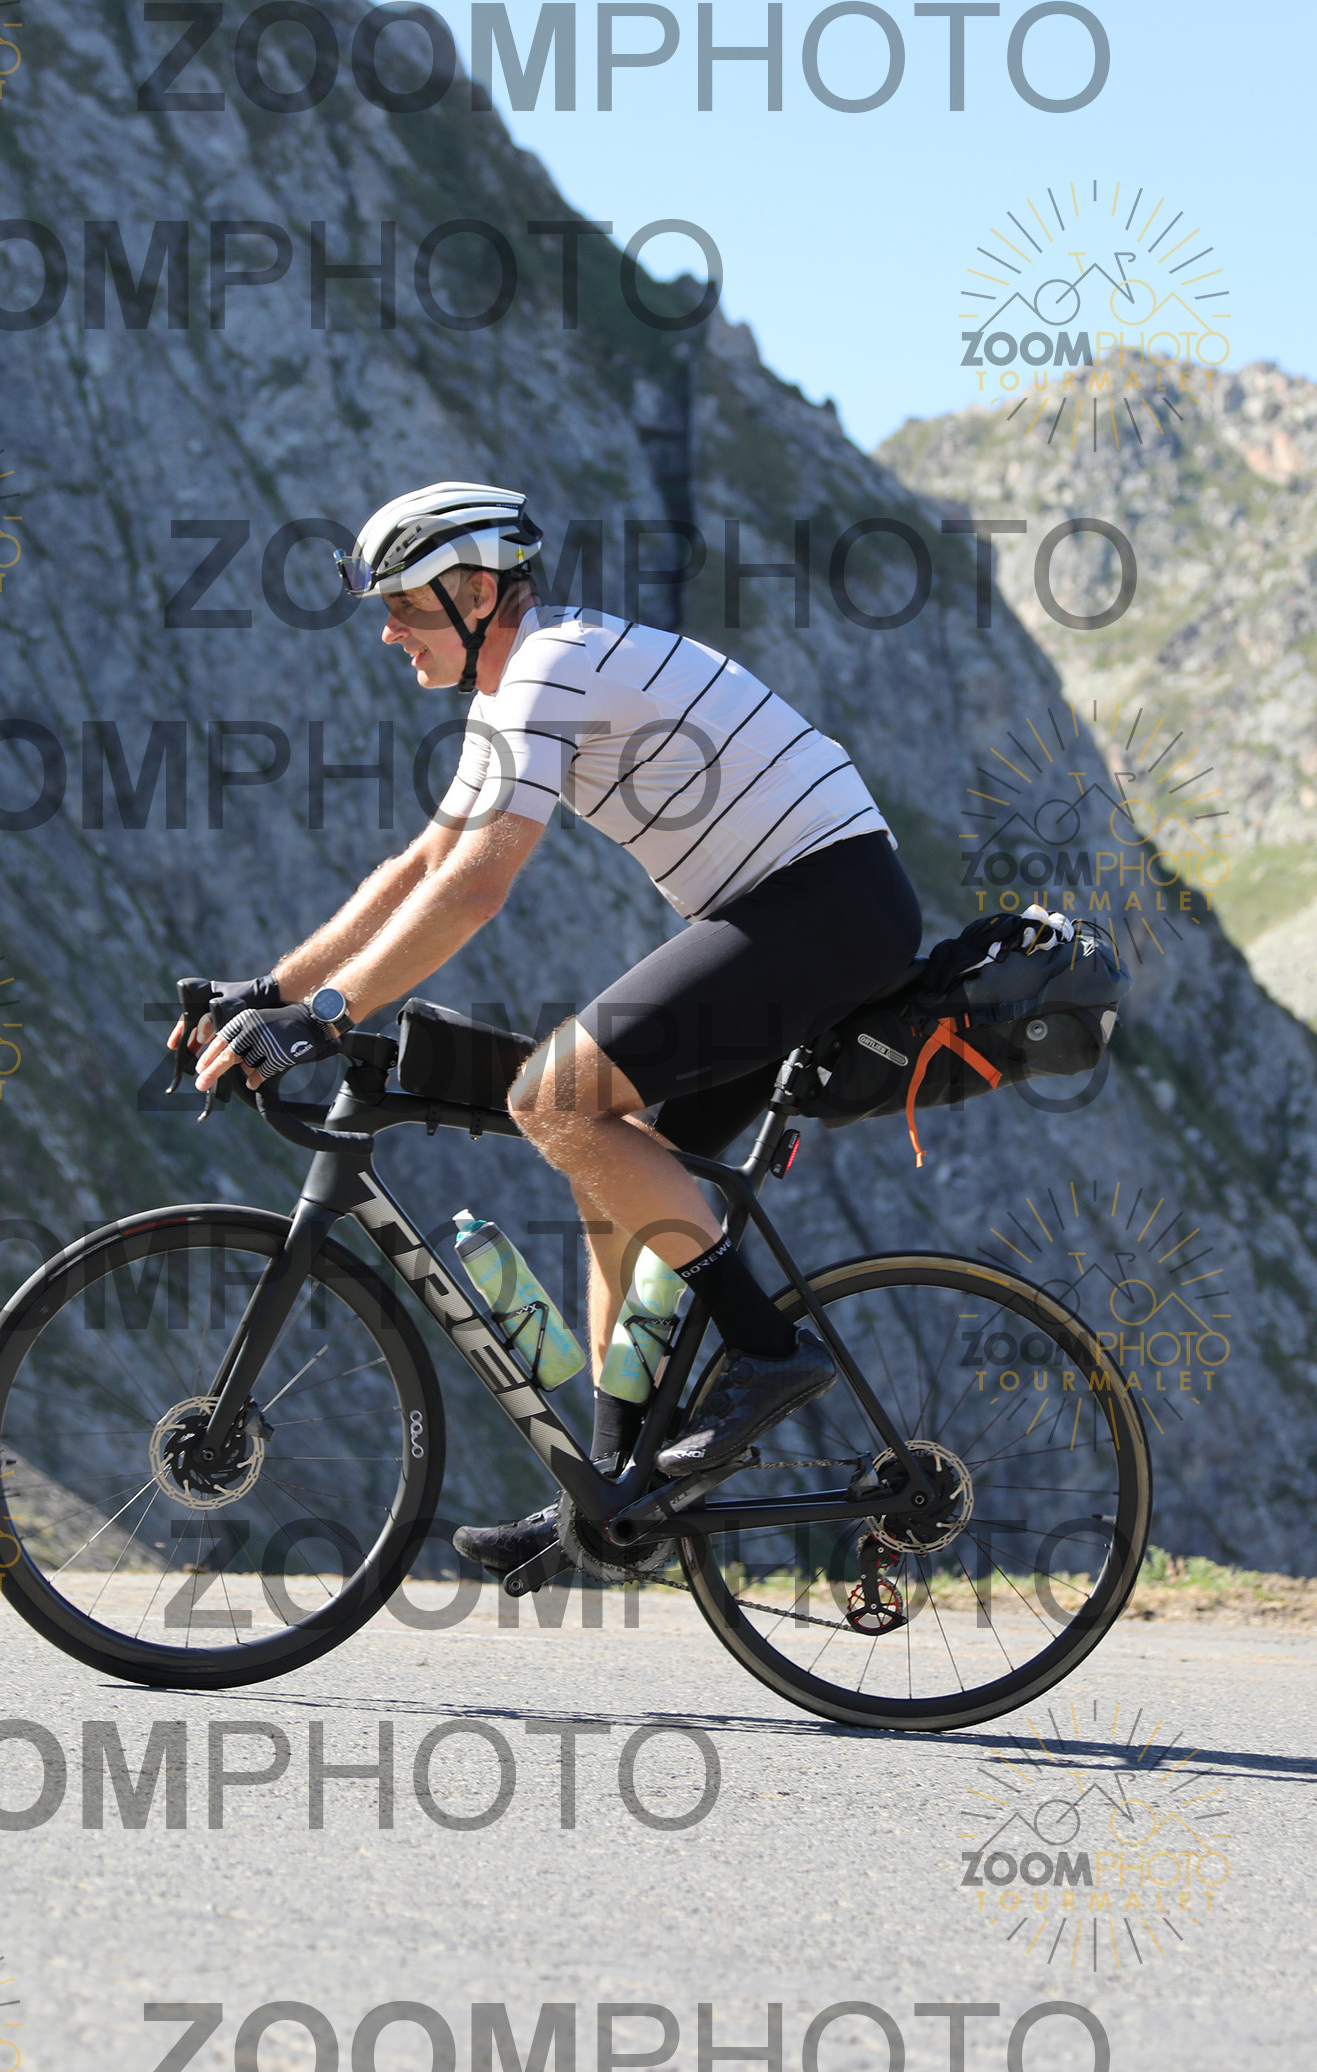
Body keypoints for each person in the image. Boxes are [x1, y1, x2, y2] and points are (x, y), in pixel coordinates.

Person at [175, 482, 923, 1578]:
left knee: (552, 1098)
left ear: (478, 593)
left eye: (406, 606)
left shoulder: (549, 667)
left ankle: (770, 1354)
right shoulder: (515, 688)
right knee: (607, 1167)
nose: (388, 631)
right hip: (793, 912)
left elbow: (477, 888)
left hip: (825, 905)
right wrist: (269, 989)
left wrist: (329, 1016)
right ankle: (612, 1490)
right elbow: (422, 865)